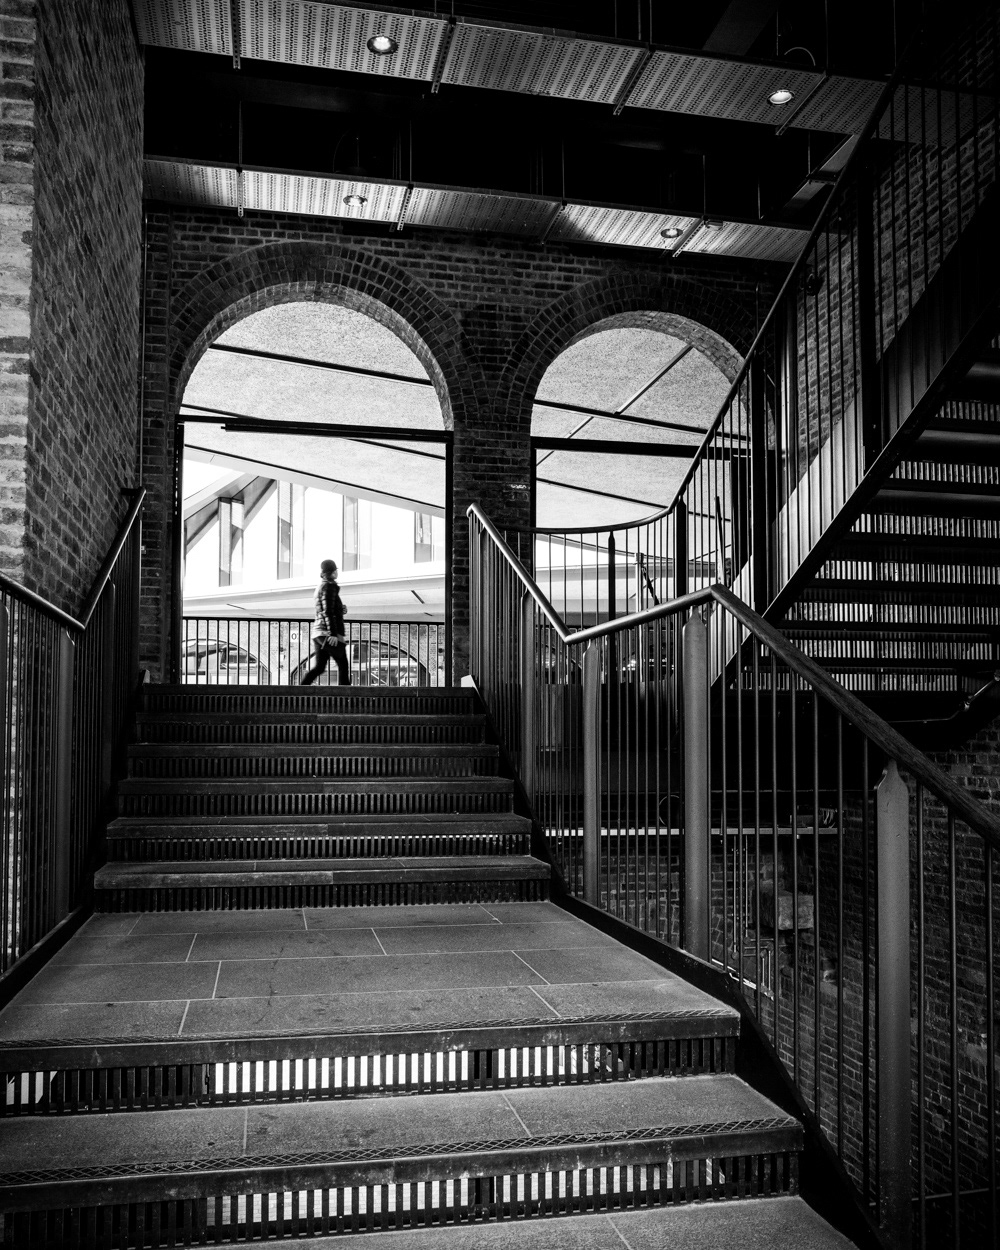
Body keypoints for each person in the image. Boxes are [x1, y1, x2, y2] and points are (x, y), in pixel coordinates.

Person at [300, 559, 351, 685]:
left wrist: (340, 609)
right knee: (343, 665)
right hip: (327, 633)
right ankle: (345, 695)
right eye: (336, 570)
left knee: (320, 667)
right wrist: (332, 634)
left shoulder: (320, 586)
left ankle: (299, 690)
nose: (337, 572)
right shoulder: (329, 586)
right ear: (332, 572)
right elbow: (327, 611)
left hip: (318, 632)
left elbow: (325, 608)